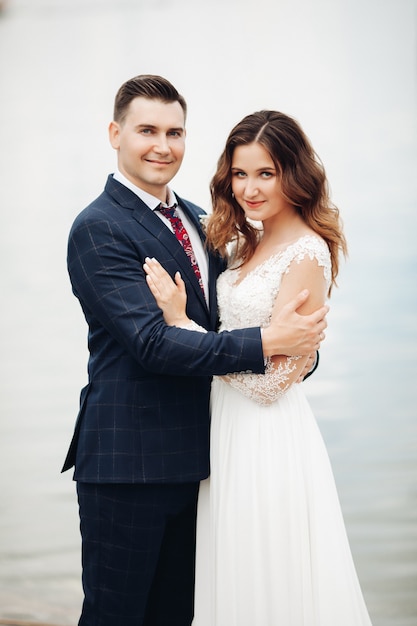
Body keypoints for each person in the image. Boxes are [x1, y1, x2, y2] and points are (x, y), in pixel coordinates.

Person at [61, 76, 328, 626]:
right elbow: (154, 344)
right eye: (147, 131)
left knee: (180, 615)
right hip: (129, 462)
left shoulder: (202, 222)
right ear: (115, 134)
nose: (163, 145)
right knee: (116, 614)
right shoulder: (98, 229)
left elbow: (235, 316)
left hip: (208, 462)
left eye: (175, 132)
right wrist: (269, 343)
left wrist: (298, 352)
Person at [143, 110, 373, 625]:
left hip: (267, 435)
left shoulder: (307, 253)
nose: (249, 188)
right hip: (224, 425)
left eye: (265, 173)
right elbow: (268, 344)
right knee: (231, 566)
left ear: (295, 174)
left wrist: (184, 327)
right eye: (240, 174)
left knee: (268, 566)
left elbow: (273, 384)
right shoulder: (245, 242)